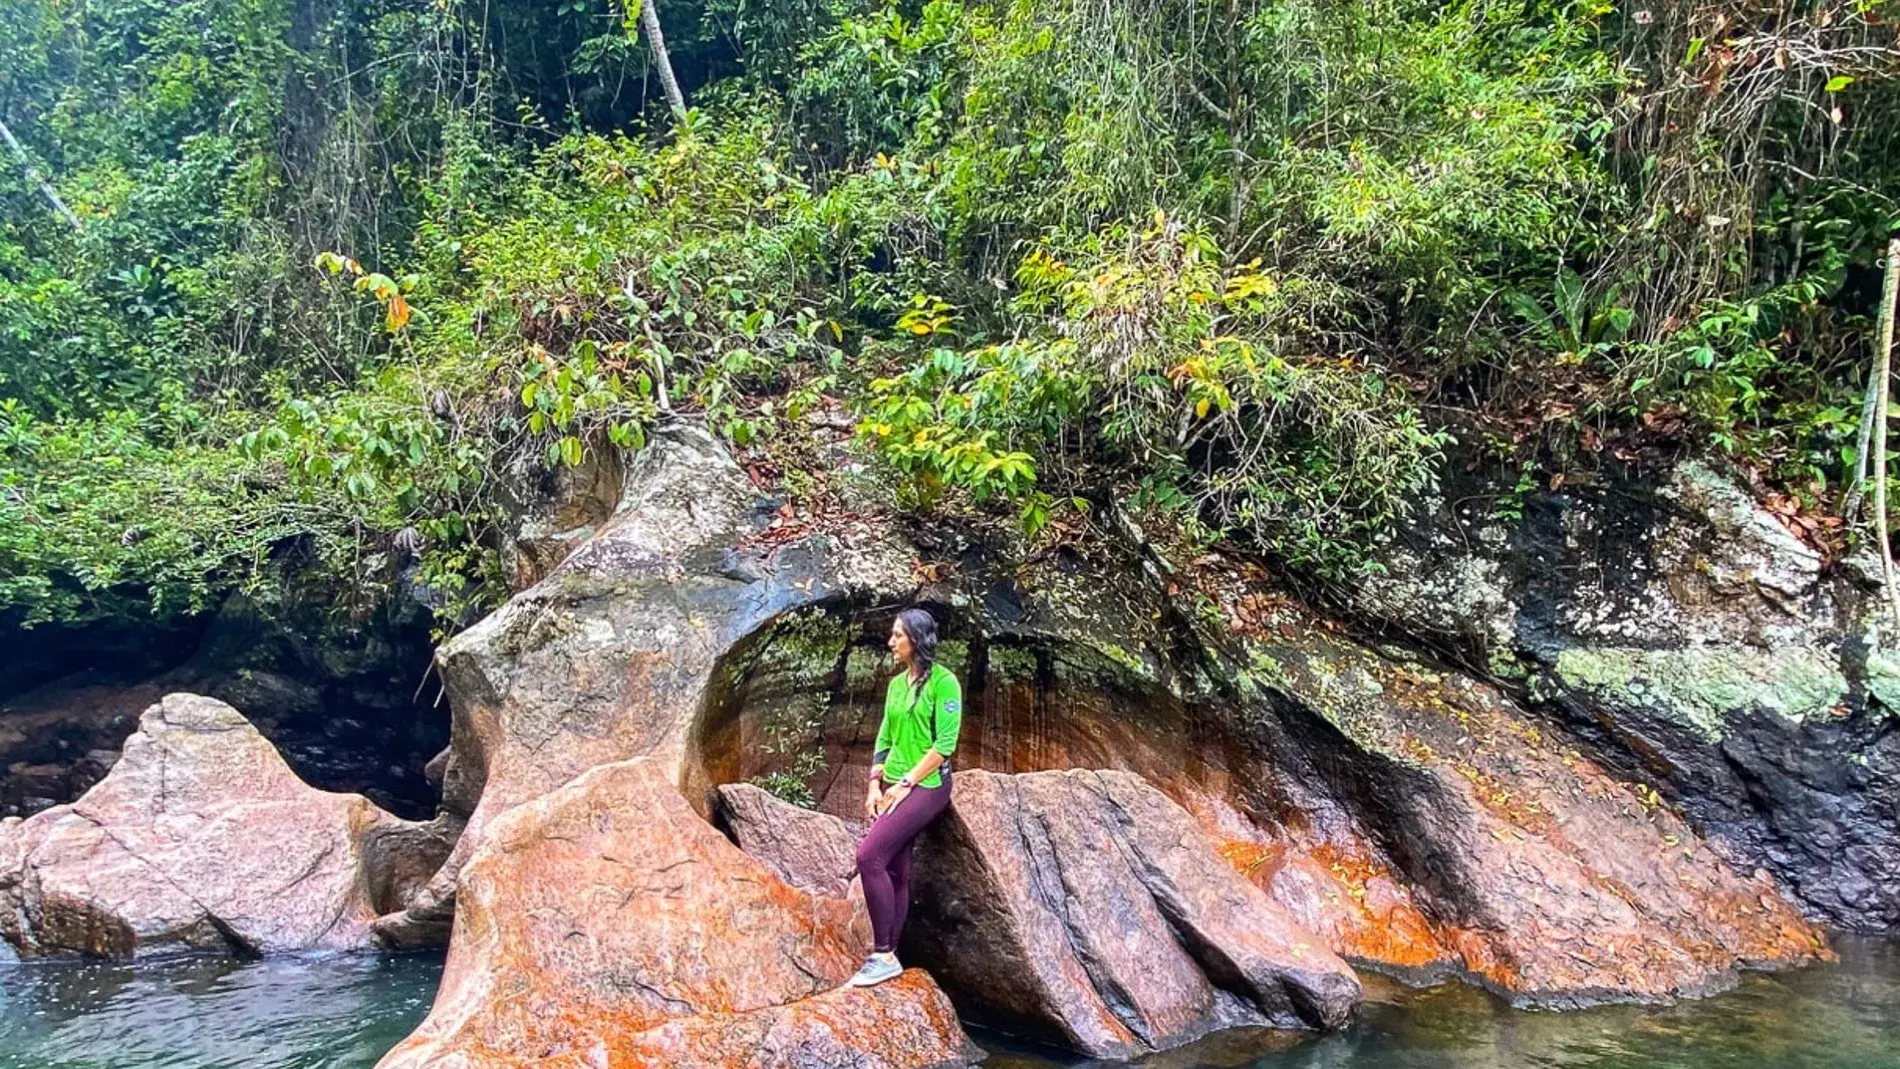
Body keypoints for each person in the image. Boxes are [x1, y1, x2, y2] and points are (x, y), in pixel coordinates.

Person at [845, 607, 961, 988]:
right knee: (897, 868)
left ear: (917, 639)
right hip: (893, 782)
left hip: (927, 785)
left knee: (869, 856)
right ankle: (891, 953)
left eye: (898, 635)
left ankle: (881, 955)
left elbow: (944, 746)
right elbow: (884, 737)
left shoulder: (945, 684)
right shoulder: (897, 685)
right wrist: (874, 784)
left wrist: (906, 783)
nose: (891, 641)